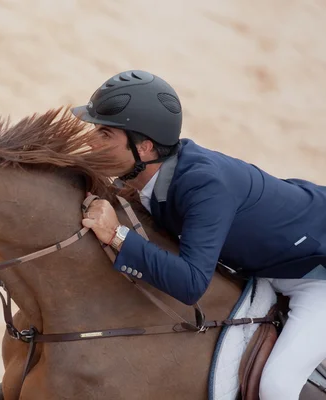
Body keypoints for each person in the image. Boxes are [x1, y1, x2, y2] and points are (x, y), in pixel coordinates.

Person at [72, 69, 326, 400]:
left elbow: (191, 284)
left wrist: (116, 235)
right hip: (270, 259)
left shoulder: (204, 186)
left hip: (315, 277)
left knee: (276, 386)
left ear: (146, 148)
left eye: (105, 134)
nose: (90, 141)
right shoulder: (155, 171)